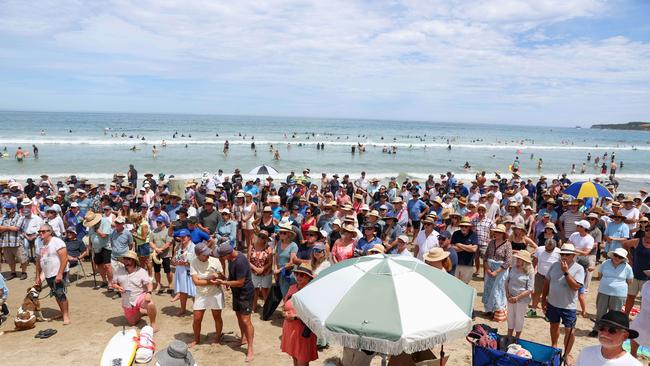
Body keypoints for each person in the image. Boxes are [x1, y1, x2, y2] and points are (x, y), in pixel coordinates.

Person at [542, 243, 585, 365]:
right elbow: (547, 282)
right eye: (562, 254)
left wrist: (566, 272)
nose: (564, 256)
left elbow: (575, 287)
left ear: (573, 256)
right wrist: (543, 298)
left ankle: (566, 353)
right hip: (553, 303)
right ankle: (554, 347)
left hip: (568, 307)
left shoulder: (579, 268)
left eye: (567, 254)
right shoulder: (554, 265)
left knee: (570, 331)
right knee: (553, 326)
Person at [214, 243, 255, 362]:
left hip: (245, 293)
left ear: (228, 254)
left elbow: (241, 282)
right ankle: (243, 338)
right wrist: (226, 280)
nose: (221, 258)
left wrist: (224, 283)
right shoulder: (231, 259)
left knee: (246, 320)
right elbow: (234, 278)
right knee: (239, 316)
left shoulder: (240, 261)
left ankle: (250, 349)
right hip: (237, 292)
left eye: (222, 256)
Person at [589, 248, 633, 337]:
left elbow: (630, 281)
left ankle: (612, 331)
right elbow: (600, 275)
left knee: (615, 314)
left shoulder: (627, 267)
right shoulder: (605, 263)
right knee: (600, 312)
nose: (617, 258)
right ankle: (597, 329)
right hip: (603, 291)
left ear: (623, 258)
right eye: (615, 255)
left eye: (620, 257)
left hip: (619, 293)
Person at [280, 263, 318, 365]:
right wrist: (284, 312)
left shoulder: (312, 291)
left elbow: (315, 314)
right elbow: (285, 304)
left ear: (309, 277)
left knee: (302, 361)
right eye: (297, 274)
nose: (298, 277)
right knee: (295, 357)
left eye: (302, 275)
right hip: (290, 328)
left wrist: (295, 317)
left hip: (303, 331)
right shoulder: (292, 287)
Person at [189, 242, 224, 347]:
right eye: (204, 254)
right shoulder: (194, 263)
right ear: (198, 254)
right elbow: (196, 282)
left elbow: (221, 277)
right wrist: (210, 280)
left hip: (215, 293)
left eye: (208, 253)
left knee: (217, 316)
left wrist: (217, 277)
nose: (208, 256)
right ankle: (196, 338)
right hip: (201, 294)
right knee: (197, 318)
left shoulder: (215, 261)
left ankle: (217, 337)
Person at [112, 251, 158, 331]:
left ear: (134, 260)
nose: (126, 260)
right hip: (127, 301)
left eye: (128, 259)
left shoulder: (141, 271)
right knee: (132, 322)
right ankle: (141, 312)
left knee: (150, 304)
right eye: (124, 259)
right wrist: (117, 287)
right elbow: (113, 283)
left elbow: (149, 284)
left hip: (139, 296)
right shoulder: (119, 270)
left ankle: (153, 323)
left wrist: (149, 293)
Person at [576, 310, 642, 366]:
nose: (604, 333)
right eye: (602, 328)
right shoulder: (586, 353)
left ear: (625, 336)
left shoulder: (633, 364)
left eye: (612, 330)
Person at [35, 223, 70, 324]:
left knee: (60, 293)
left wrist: (60, 274)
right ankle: (62, 312)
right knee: (55, 293)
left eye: (43, 231)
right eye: (39, 232)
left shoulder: (57, 241)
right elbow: (38, 261)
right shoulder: (40, 244)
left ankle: (66, 316)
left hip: (58, 271)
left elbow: (64, 258)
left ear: (50, 232)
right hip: (48, 273)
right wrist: (38, 276)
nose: (40, 233)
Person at [482, 224, 512, 322]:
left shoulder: (508, 244)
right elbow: (486, 257)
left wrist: (496, 272)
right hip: (489, 269)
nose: (497, 234)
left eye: (499, 232)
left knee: (498, 290)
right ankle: (489, 310)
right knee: (488, 289)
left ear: (503, 234)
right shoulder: (491, 242)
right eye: (496, 232)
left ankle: (497, 312)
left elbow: (508, 261)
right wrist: (487, 269)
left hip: (501, 271)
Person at [505, 250, 534, 341]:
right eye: (517, 258)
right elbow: (507, 281)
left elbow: (530, 289)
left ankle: (517, 338)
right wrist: (507, 294)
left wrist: (517, 298)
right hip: (510, 297)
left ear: (524, 261)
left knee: (519, 318)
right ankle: (509, 336)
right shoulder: (513, 268)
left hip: (522, 300)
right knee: (510, 317)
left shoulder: (530, 272)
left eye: (519, 259)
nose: (517, 259)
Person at [621, 225, 650, 315]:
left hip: (648, 277)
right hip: (635, 273)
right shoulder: (638, 241)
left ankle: (642, 318)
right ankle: (625, 316)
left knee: (645, 299)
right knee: (630, 296)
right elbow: (624, 244)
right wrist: (629, 258)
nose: (649, 231)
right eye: (647, 229)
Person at [529, 238, 560, 318]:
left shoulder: (559, 252)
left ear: (554, 247)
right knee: (536, 293)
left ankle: (548, 313)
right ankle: (533, 310)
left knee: (550, 296)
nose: (548, 250)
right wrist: (531, 272)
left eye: (550, 250)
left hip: (552, 278)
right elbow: (535, 261)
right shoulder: (539, 249)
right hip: (540, 275)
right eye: (547, 248)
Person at [170, 229, 196, 316]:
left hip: (190, 271)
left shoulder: (194, 247)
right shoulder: (178, 246)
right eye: (181, 237)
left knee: (193, 291)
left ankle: (197, 309)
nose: (182, 239)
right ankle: (183, 309)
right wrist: (175, 262)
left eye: (184, 237)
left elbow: (196, 261)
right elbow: (173, 259)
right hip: (180, 271)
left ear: (189, 237)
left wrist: (185, 263)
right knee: (182, 291)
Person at [0, 202, 28, 280]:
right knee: (10, 260)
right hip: (6, 242)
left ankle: (24, 272)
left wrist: (4, 228)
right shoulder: (3, 217)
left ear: (13, 209)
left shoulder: (20, 217)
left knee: (22, 259)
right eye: (6, 208)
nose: (7, 210)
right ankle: (13, 273)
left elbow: (16, 228)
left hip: (17, 242)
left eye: (9, 208)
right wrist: (10, 227)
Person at [249, 230, 273, 312]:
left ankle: (266, 309)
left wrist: (262, 269)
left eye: (263, 237)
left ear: (265, 239)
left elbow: (270, 262)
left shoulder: (268, 248)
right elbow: (248, 260)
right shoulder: (252, 246)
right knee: (254, 290)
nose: (261, 238)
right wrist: (256, 269)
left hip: (265, 272)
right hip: (254, 272)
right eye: (260, 236)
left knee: (264, 290)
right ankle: (254, 307)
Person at [149, 215, 173, 294]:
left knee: (168, 271)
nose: (158, 223)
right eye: (157, 222)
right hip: (156, 254)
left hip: (165, 254)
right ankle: (158, 284)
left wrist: (161, 249)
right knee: (156, 271)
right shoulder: (154, 231)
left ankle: (170, 285)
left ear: (164, 223)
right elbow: (150, 242)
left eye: (160, 222)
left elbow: (168, 243)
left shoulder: (168, 231)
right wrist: (156, 249)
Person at [275, 223, 299, 297]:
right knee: (283, 293)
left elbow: (292, 262)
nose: (281, 234)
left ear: (289, 234)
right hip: (280, 273)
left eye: (284, 233)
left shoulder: (293, 245)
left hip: (289, 273)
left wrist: (279, 270)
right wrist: (276, 270)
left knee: (289, 294)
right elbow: (276, 258)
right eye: (280, 232)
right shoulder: (279, 243)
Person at [630, 270, 650, 359]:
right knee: (635, 334)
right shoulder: (647, 285)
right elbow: (643, 302)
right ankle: (633, 356)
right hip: (643, 318)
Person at [452, 217, 478, 283]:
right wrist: (468, 247)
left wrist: (459, 245)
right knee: (454, 283)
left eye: (466, 226)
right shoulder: (456, 233)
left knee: (464, 285)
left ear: (469, 227)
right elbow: (452, 247)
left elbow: (474, 249)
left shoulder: (473, 234)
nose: (464, 228)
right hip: (456, 263)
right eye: (462, 226)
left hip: (468, 264)